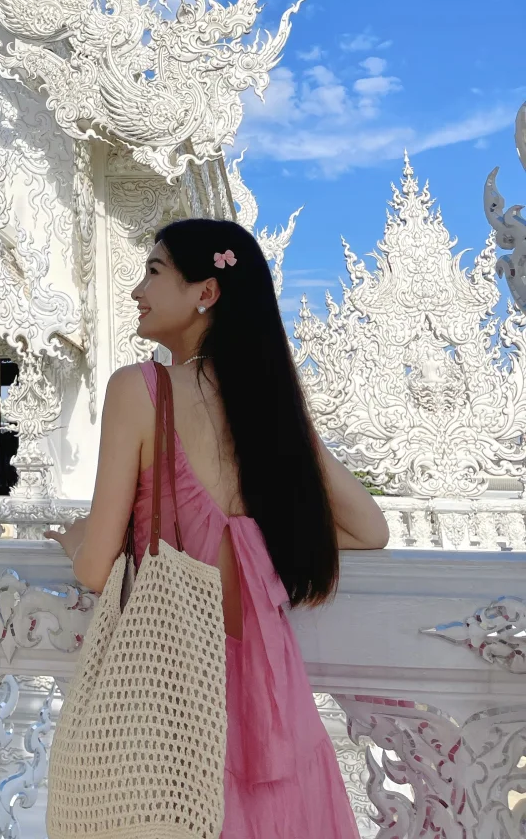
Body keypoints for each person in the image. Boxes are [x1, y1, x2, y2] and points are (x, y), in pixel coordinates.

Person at [47, 218, 389, 839]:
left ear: (206, 292)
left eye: (153, 271)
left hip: (175, 693)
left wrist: (79, 537)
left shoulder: (140, 388)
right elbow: (371, 529)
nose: (136, 290)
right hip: (270, 699)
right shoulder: (268, 405)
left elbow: (96, 569)